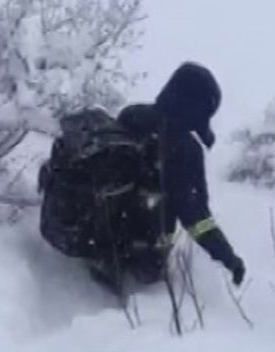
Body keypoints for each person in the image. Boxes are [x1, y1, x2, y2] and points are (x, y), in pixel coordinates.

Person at [102, 62, 245, 288]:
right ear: (196, 108)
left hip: (102, 233)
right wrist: (229, 258)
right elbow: (196, 219)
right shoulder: (186, 150)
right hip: (139, 259)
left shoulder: (132, 114)